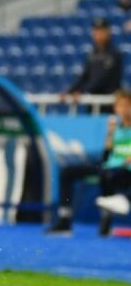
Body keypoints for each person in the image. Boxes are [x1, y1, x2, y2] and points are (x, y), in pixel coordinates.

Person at [47, 90, 131, 236]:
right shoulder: (115, 128)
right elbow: (106, 156)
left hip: (125, 171)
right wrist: (110, 134)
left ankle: (108, 219)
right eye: (120, 106)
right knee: (67, 172)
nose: (123, 109)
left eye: (126, 105)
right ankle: (64, 219)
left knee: (108, 175)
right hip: (109, 167)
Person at [63, 18, 123, 103]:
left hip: (107, 101)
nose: (98, 34)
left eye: (102, 31)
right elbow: (84, 75)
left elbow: (102, 78)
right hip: (93, 99)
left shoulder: (114, 53)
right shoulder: (92, 53)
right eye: (96, 31)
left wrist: (82, 91)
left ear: (108, 32)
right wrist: (70, 91)